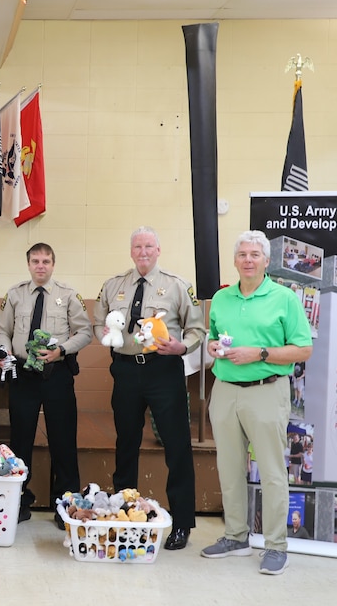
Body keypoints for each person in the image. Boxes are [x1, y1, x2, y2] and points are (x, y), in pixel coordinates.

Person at [200, 230, 313, 576]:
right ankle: (236, 537)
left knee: (272, 472)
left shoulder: (284, 298)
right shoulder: (222, 299)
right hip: (225, 390)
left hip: (266, 389)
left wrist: (260, 353)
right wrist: (212, 347)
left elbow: (303, 349)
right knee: (229, 468)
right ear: (235, 260)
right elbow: (214, 337)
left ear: (266, 260)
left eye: (255, 254)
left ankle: (276, 546)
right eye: (242, 254)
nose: (248, 260)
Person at [93, 226, 204, 550]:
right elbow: (100, 319)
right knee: (125, 445)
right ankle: (124, 513)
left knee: (177, 446)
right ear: (131, 252)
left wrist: (182, 348)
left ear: (158, 250)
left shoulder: (177, 285)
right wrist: (105, 333)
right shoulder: (114, 285)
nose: (143, 252)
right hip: (126, 372)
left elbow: (197, 329)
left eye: (149, 246)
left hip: (164, 371)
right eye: (138, 246)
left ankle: (182, 523)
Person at [0, 242, 91, 524]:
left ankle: (66, 505)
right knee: (20, 440)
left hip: (56, 375)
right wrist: (5, 352)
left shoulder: (69, 295)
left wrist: (61, 350)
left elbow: (85, 333)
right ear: (28, 264)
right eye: (35, 261)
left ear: (53, 264)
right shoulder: (15, 295)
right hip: (23, 374)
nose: (40, 266)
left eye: (46, 261)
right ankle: (19, 500)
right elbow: (3, 331)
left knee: (63, 440)